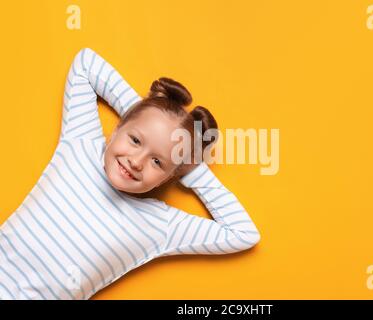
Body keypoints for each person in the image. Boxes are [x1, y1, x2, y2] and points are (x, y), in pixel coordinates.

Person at [0, 48, 261, 300]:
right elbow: (86, 64)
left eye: (157, 161)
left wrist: (189, 167)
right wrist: (147, 112)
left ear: (169, 177)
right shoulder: (81, 144)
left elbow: (243, 233)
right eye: (135, 140)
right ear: (116, 130)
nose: (136, 162)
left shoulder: (160, 225)